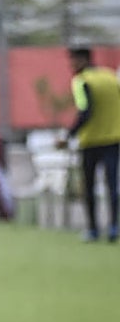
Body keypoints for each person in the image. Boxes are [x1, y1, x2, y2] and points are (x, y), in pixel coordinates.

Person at [59, 46, 120, 242]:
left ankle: (93, 229)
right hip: (113, 138)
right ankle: (113, 227)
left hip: (91, 141)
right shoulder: (111, 77)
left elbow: (86, 110)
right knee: (112, 185)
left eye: (74, 61)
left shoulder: (81, 81)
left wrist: (68, 135)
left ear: (83, 60)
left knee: (89, 187)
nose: (71, 66)